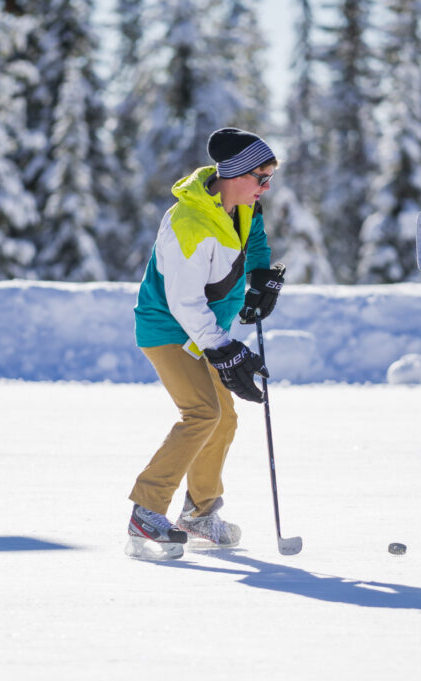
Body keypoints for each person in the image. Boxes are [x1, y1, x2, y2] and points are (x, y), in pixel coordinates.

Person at [125, 127, 287, 561]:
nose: (266, 187)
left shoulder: (241, 206)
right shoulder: (188, 222)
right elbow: (183, 303)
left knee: (224, 418)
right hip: (169, 328)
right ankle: (147, 511)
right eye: (262, 176)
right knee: (202, 412)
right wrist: (223, 348)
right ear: (234, 173)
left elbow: (252, 239)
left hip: (204, 329)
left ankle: (199, 514)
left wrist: (259, 277)